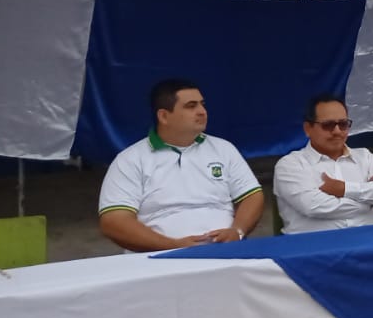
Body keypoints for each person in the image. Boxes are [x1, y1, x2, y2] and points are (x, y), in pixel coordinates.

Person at [98, 79, 264, 251]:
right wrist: (171, 246)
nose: (202, 112)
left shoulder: (224, 149)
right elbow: (114, 221)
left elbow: (252, 196)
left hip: (226, 252)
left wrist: (237, 231)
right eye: (191, 106)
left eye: (202, 104)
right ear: (163, 116)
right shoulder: (130, 160)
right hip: (160, 257)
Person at [274, 95, 373, 233]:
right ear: (308, 128)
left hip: (366, 242)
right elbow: (313, 206)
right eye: (328, 125)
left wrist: (344, 189)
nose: (337, 131)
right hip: (314, 244)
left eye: (343, 124)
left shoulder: (365, 157)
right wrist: (369, 201)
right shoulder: (290, 164)